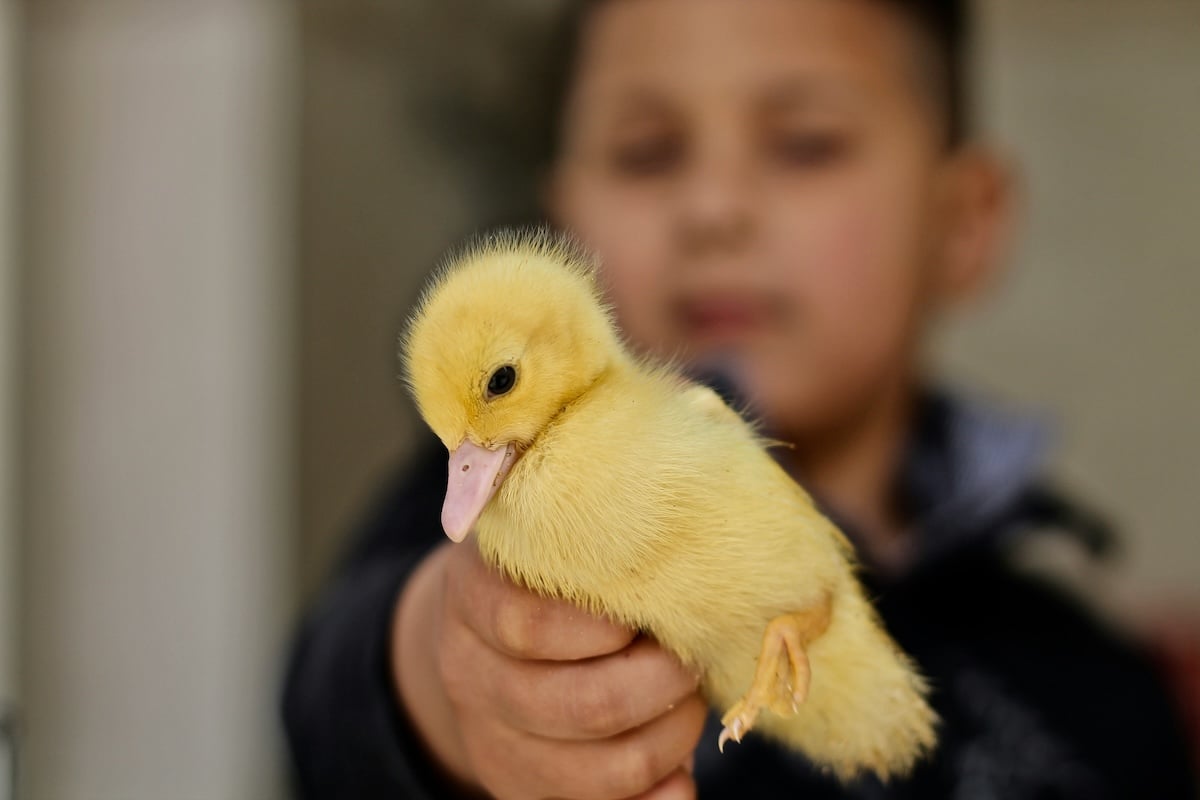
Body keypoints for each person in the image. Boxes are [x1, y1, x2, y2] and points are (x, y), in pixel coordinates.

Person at [282, 0, 1198, 797]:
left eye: (805, 145)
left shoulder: (1088, 674)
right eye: (647, 155)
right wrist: (465, 670)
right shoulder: (502, 512)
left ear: (962, 221)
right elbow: (342, 694)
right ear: (564, 231)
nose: (714, 208)